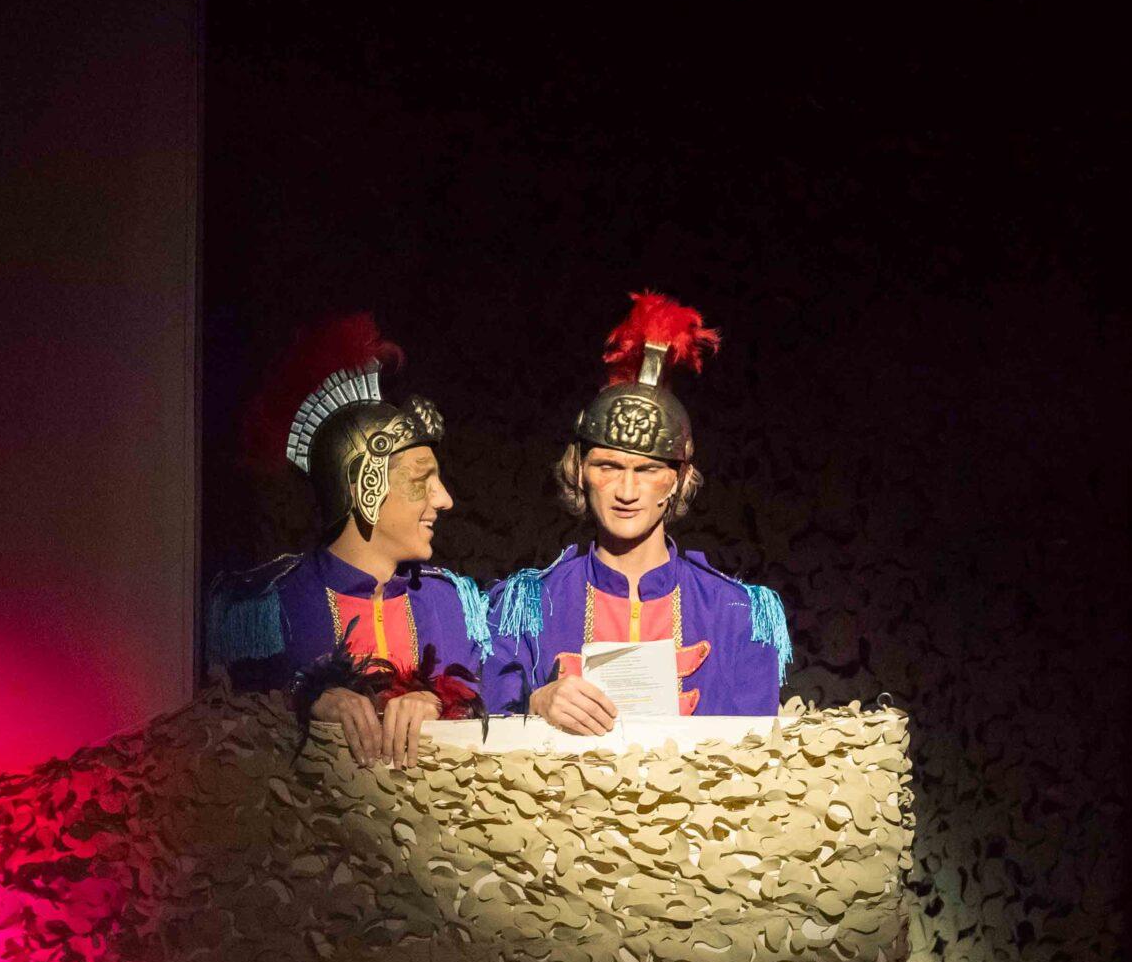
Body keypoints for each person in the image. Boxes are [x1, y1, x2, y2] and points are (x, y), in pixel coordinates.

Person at [489, 293, 790, 729]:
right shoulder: (526, 606)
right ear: (579, 471)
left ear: (679, 478)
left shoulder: (738, 613)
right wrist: (534, 705)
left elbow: (758, 757)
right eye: (608, 467)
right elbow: (475, 739)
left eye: (647, 470)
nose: (627, 491)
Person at [206, 313, 492, 764]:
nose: (445, 499)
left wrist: (441, 702)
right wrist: (301, 700)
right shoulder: (264, 607)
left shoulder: (453, 603)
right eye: (422, 480)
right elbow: (222, 736)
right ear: (365, 486)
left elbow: (497, 707)